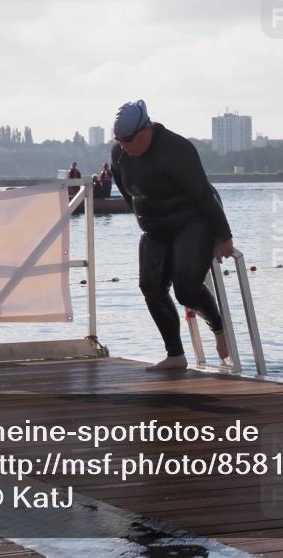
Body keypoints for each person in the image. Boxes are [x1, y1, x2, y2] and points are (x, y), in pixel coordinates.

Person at [110, 99, 234, 371]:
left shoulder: (176, 149)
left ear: (146, 130)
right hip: (155, 227)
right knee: (150, 288)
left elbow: (203, 193)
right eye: (118, 140)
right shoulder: (120, 154)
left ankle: (219, 327)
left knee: (186, 289)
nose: (123, 146)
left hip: (193, 221)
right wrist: (144, 220)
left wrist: (223, 236)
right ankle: (175, 355)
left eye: (127, 140)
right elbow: (127, 192)